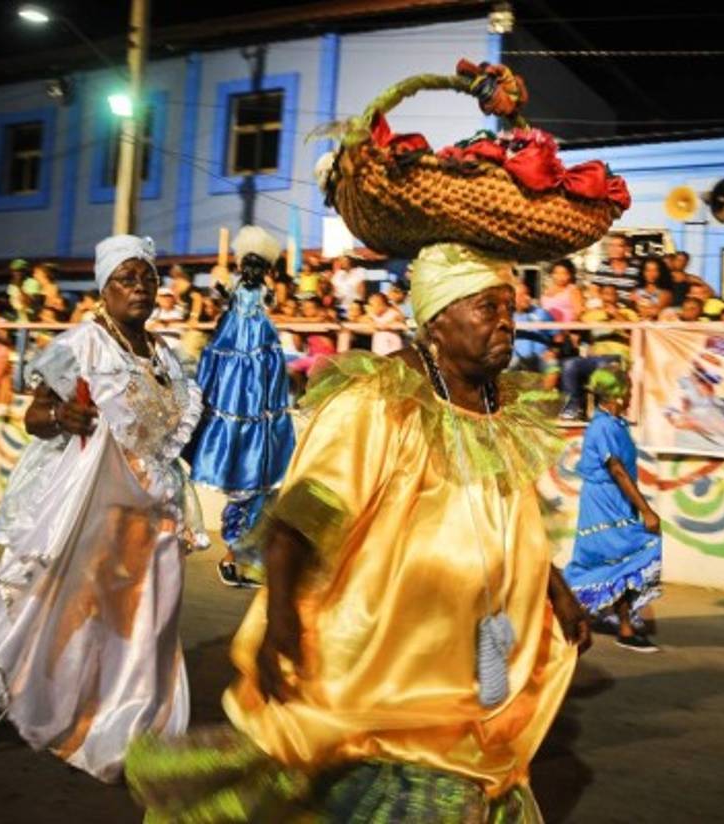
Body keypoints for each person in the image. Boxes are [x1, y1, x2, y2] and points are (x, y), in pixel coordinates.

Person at [126, 241, 590, 819]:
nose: (506, 321)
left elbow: (510, 520)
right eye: (486, 307)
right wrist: (279, 622)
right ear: (437, 323)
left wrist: (554, 585)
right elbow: (300, 517)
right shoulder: (379, 403)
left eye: (510, 306)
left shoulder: (503, 413)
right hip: (383, 674)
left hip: (470, 675)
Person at [0, 234, 208, 781]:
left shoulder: (166, 358)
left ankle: (114, 711)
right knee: (40, 595)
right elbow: (35, 416)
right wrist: (62, 419)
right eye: (125, 280)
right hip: (82, 498)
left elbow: (172, 434)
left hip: (147, 507)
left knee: (134, 618)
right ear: (103, 289)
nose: (139, 288)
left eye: (147, 279)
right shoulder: (82, 343)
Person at [187, 226, 296, 589]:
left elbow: (273, 300)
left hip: (255, 373)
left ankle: (244, 557)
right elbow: (224, 297)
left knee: (256, 487)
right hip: (240, 365)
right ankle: (237, 556)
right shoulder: (245, 294)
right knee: (248, 483)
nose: (252, 271)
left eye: (254, 265)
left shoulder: (257, 294)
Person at [562, 368, 663, 652]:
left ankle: (621, 622)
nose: (631, 394)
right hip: (604, 501)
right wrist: (646, 510)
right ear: (616, 394)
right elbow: (617, 470)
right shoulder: (603, 427)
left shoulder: (615, 423)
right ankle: (623, 626)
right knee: (628, 553)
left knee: (617, 560)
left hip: (616, 500)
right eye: (628, 388)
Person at [560, 284, 638, 420]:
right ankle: (574, 407)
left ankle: (603, 409)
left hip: (618, 357)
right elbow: (574, 328)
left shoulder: (628, 313)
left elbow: (634, 332)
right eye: (605, 294)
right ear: (601, 297)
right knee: (570, 365)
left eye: (612, 294)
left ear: (617, 297)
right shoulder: (592, 314)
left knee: (604, 364)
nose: (608, 297)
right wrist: (578, 314)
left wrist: (617, 315)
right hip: (595, 357)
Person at [512, 282, 555, 372]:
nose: (528, 298)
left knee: (553, 366)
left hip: (541, 357)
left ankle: (546, 386)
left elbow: (558, 337)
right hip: (514, 358)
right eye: (522, 295)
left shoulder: (541, 313)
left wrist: (554, 351)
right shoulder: (505, 316)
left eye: (528, 294)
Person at [540, 258, 584, 322]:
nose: (560, 276)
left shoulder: (573, 290)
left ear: (569, 275)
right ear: (552, 274)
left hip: (566, 328)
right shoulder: (547, 290)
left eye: (564, 273)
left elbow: (578, 313)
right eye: (556, 273)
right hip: (548, 328)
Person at [367, 290, 406, 356]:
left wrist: (387, 326)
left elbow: (403, 326)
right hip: (378, 350)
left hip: (391, 349)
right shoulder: (372, 316)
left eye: (373, 305)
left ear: (382, 304)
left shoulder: (393, 314)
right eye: (370, 304)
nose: (371, 307)